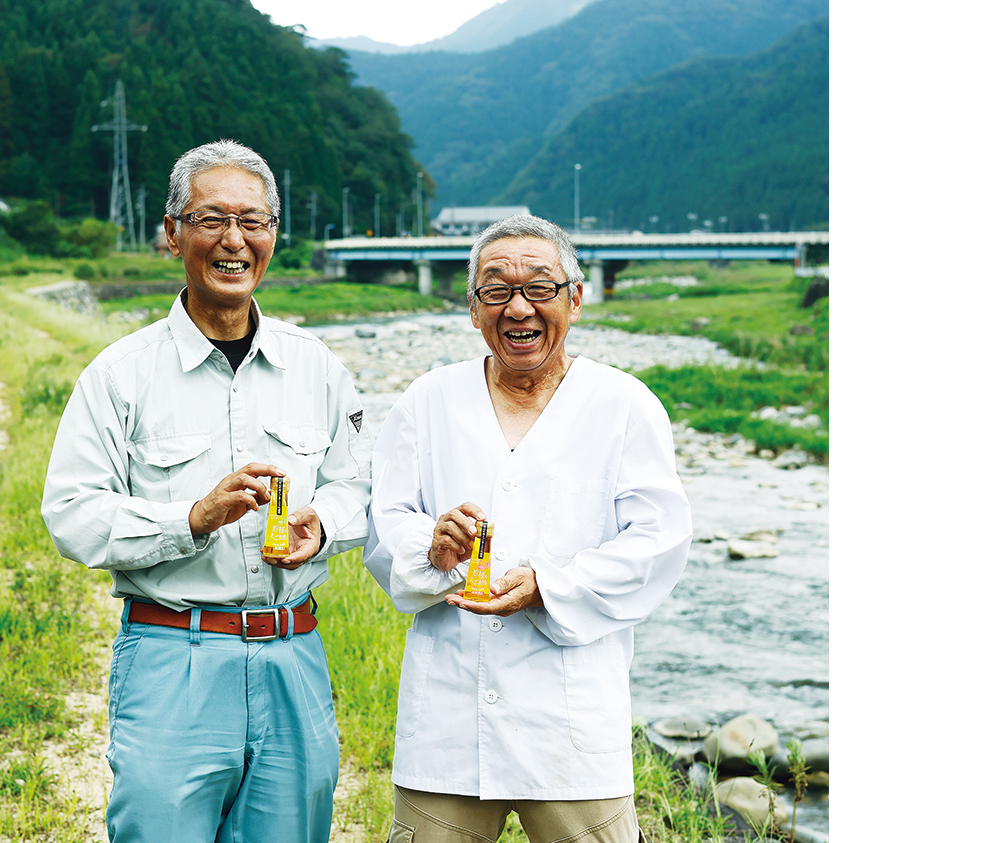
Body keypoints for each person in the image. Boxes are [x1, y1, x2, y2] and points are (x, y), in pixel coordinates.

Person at [42, 139, 373, 843]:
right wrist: (191, 518)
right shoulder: (120, 374)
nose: (235, 241)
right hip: (172, 655)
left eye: (253, 222)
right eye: (211, 219)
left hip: (294, 653)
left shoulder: (316, 368)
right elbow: (71, 514)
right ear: (172, 234)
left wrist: (326, 523)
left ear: (273, 237)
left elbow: (359, 484)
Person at [363, 214, 692, 843]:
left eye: (540, 288)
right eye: (496, 289)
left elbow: (658, 542)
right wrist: (430, 549)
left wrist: (549, 586)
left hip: (572, 729)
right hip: (447, 729)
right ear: (471, 307)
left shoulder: (624, 405)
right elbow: (385, 523)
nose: (520, 308)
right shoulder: (427, 400)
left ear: (575, 296)